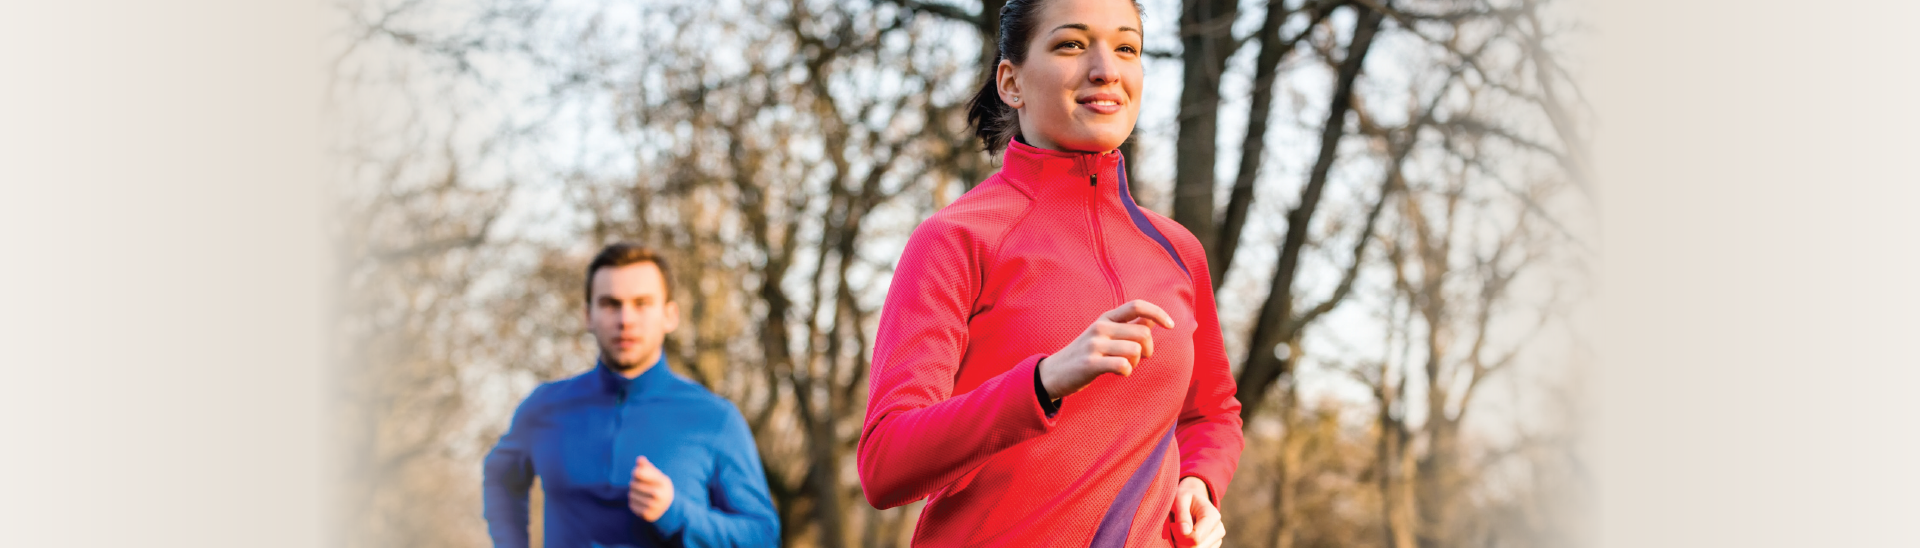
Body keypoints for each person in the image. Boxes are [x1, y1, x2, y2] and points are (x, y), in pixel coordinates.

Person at [855, 0, 1245, 546]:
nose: (1106, 68)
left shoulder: (1179, 251)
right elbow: (884, 462)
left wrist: (1199, 481)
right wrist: (1041, 383)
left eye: (1127, 47)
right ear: (1010, 82)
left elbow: (1212, 413)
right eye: (1071, 44)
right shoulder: (956, 239)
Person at [483, 243, 779, 548]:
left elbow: (763, 536)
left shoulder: (715, 418)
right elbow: (499, 477)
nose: (626, 319)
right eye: (611, 304)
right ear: (588, 315)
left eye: (642, 303)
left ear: (670, 315)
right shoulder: (544, 408)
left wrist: (675, 513)